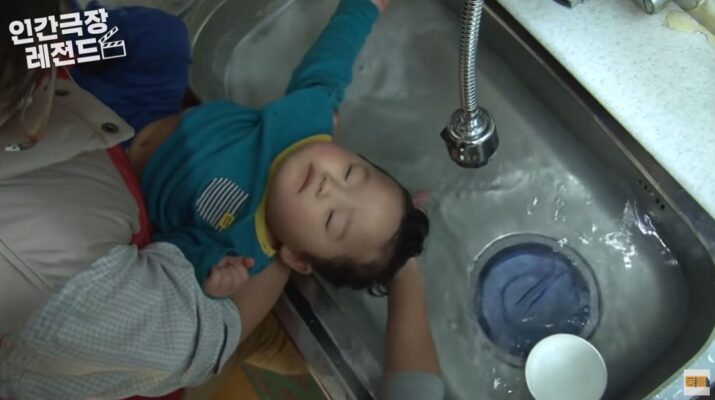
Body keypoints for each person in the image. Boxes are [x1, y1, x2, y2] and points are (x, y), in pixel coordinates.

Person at [128, 0, 429, 299]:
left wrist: (206, 270)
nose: (329, 186)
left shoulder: (239, 249)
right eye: (350, 173)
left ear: (295, 257)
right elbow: (333, 56)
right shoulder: (306, 126)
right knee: (162, 35)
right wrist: (365, 7)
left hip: (121, 178)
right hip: (150, 107)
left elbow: (170, 248)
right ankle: (92, 36)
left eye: (331, 219)